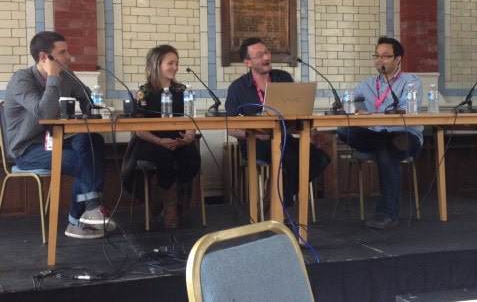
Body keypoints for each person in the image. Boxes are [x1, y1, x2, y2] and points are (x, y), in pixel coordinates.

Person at [4, 31, 114, 239]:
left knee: (93, 141)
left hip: (56, 142)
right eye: (62, 52)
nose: (69, 57)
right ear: (45, 57)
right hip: (27, 150)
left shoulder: (67, 76)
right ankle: (82, 216)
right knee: (81, 159)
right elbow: (44, 112)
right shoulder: (21, 79)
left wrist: (88, 105)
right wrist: (53, 76)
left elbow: (87, 100)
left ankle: (86, 213)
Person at [225, 37, 330, 209]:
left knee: (320, 158)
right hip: (256, 142)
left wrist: (308, 132)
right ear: (248, 62)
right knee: (288, 158)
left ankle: (275, 196)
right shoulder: (238, 87)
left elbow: (299, 111)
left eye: (266, 52)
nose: (266, 58)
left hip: (284, 138)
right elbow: (230, 127)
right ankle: (282, 207)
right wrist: (254, 133)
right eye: (259, 55)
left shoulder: (283, 77)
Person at [337, 36, 423, 229]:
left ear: (398, 59)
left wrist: (372, 113)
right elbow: (347, 100)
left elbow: (404, 110)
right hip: (377, 135)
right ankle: (386, 213)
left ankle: (387, 214)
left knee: (387, 149)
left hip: (404, 136)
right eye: (376, 56)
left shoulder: (411, 81)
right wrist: (348, 106)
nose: (379, 60)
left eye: (385, 56)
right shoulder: (367, 84)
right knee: (343, 130)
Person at [121, 44, 201, 229]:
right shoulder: (144, 92)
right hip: (150, 141)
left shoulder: (182, 91)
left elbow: (190, 120)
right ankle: (168, 206)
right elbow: (139, 129)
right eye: (170, 63)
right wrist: (160, 141)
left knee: (190, 157)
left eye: (177, 63)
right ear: (157, 64)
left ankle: (165, 201)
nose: (175, 67)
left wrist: (189, 136)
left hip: (178, 140)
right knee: (164, 157)